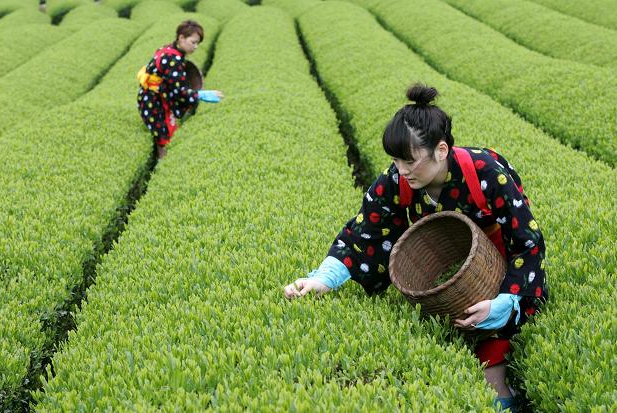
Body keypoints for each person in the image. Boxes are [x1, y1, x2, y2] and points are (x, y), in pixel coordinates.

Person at [284, 84, 548, 412]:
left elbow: (527, 242)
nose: (402, 170)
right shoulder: (396, 180)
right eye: (395, 160)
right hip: (441, 259)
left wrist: (505, 301)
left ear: (441, 150)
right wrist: (322, 279)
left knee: (493, 361)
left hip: (497, 261)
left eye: (410, 161)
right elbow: (365, 234)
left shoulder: (486, 173)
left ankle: (502, 389)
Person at [137, 20, 223, 159]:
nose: (195, 47)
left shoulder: (167, 49)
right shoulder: (173, 59)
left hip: (152, 96)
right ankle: (161, 164)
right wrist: (199, 94)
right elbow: (179, 91)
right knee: (163, 137)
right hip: (154, 101)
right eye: (193, 42)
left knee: (166, 133)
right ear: (181, 38)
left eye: (197, 44)